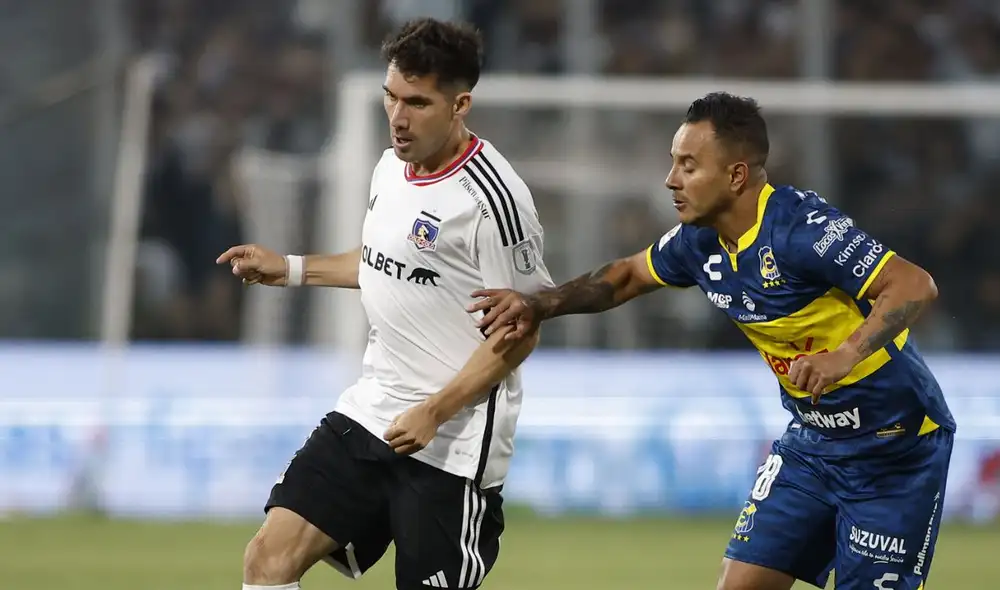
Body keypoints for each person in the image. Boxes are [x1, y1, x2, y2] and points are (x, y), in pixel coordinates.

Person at [470, 92, 956, 590]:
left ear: (736, 176)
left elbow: (915, 284)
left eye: (688, 165)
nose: (671, 180)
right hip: (813, 444)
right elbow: (626, 276)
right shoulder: (697, 241)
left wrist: (845, 355)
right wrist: (539, 304)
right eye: (673, 163)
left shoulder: (800, 230)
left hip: (895, 449)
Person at [218, 18, 553, 590]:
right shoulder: (391, 166)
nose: (398, 117)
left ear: (460, 104)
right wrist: (293, 269)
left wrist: (435, 411)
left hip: (453, 445)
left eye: (417, 103)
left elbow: (520, 330)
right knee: (267, 559)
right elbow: (384, 260)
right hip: (371, 412)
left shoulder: (493, 202)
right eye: (390, 97)